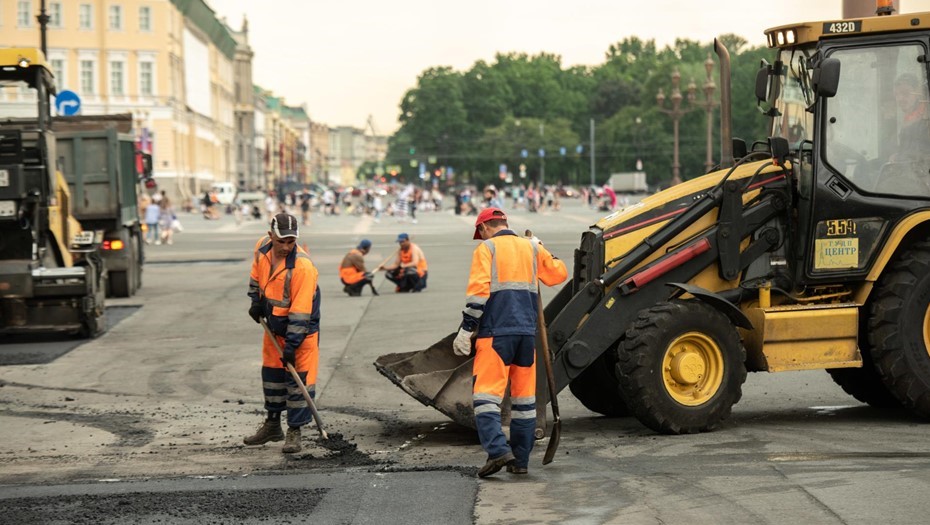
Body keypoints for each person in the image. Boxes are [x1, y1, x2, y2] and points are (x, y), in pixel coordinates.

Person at [453, 207, 567, 477]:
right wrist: (542, 247)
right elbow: (558, 274)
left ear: (483, 228)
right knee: (525, 402)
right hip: (527, 336)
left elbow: (479, 294)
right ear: (505, 223)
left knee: (486, 398)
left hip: (496, 334)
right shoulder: (531, 247)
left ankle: (497, 451)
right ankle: (521, 461)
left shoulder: (487, 249)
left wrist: (466, 328)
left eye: (480, 234)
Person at [244, 213, 322, 454]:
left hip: (301, 332)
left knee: (299, 384)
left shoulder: (302, 268)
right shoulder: (262, 248)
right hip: (273, 327)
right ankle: (272, 425)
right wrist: (255, 300)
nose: (287, 247)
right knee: (272, 376)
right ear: (271, 236)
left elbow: (300, 312)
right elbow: (256, 276)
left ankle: (294, 432)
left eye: (291, 241)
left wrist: (292, 344)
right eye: (282, 241)